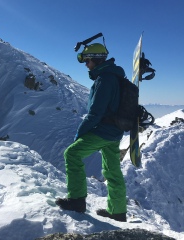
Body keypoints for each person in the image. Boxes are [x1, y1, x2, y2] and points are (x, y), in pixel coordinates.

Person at [55, 43, 127, 222]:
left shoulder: (105, 79)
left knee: (72, 153)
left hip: (104, 130)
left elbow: (96, 113)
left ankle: (77, 201)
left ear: (95, 59)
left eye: (87, 61)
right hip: (115, 131)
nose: (86, 65)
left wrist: (80, 134)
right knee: (112, 170)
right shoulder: (116, 76)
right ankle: (117, 212)